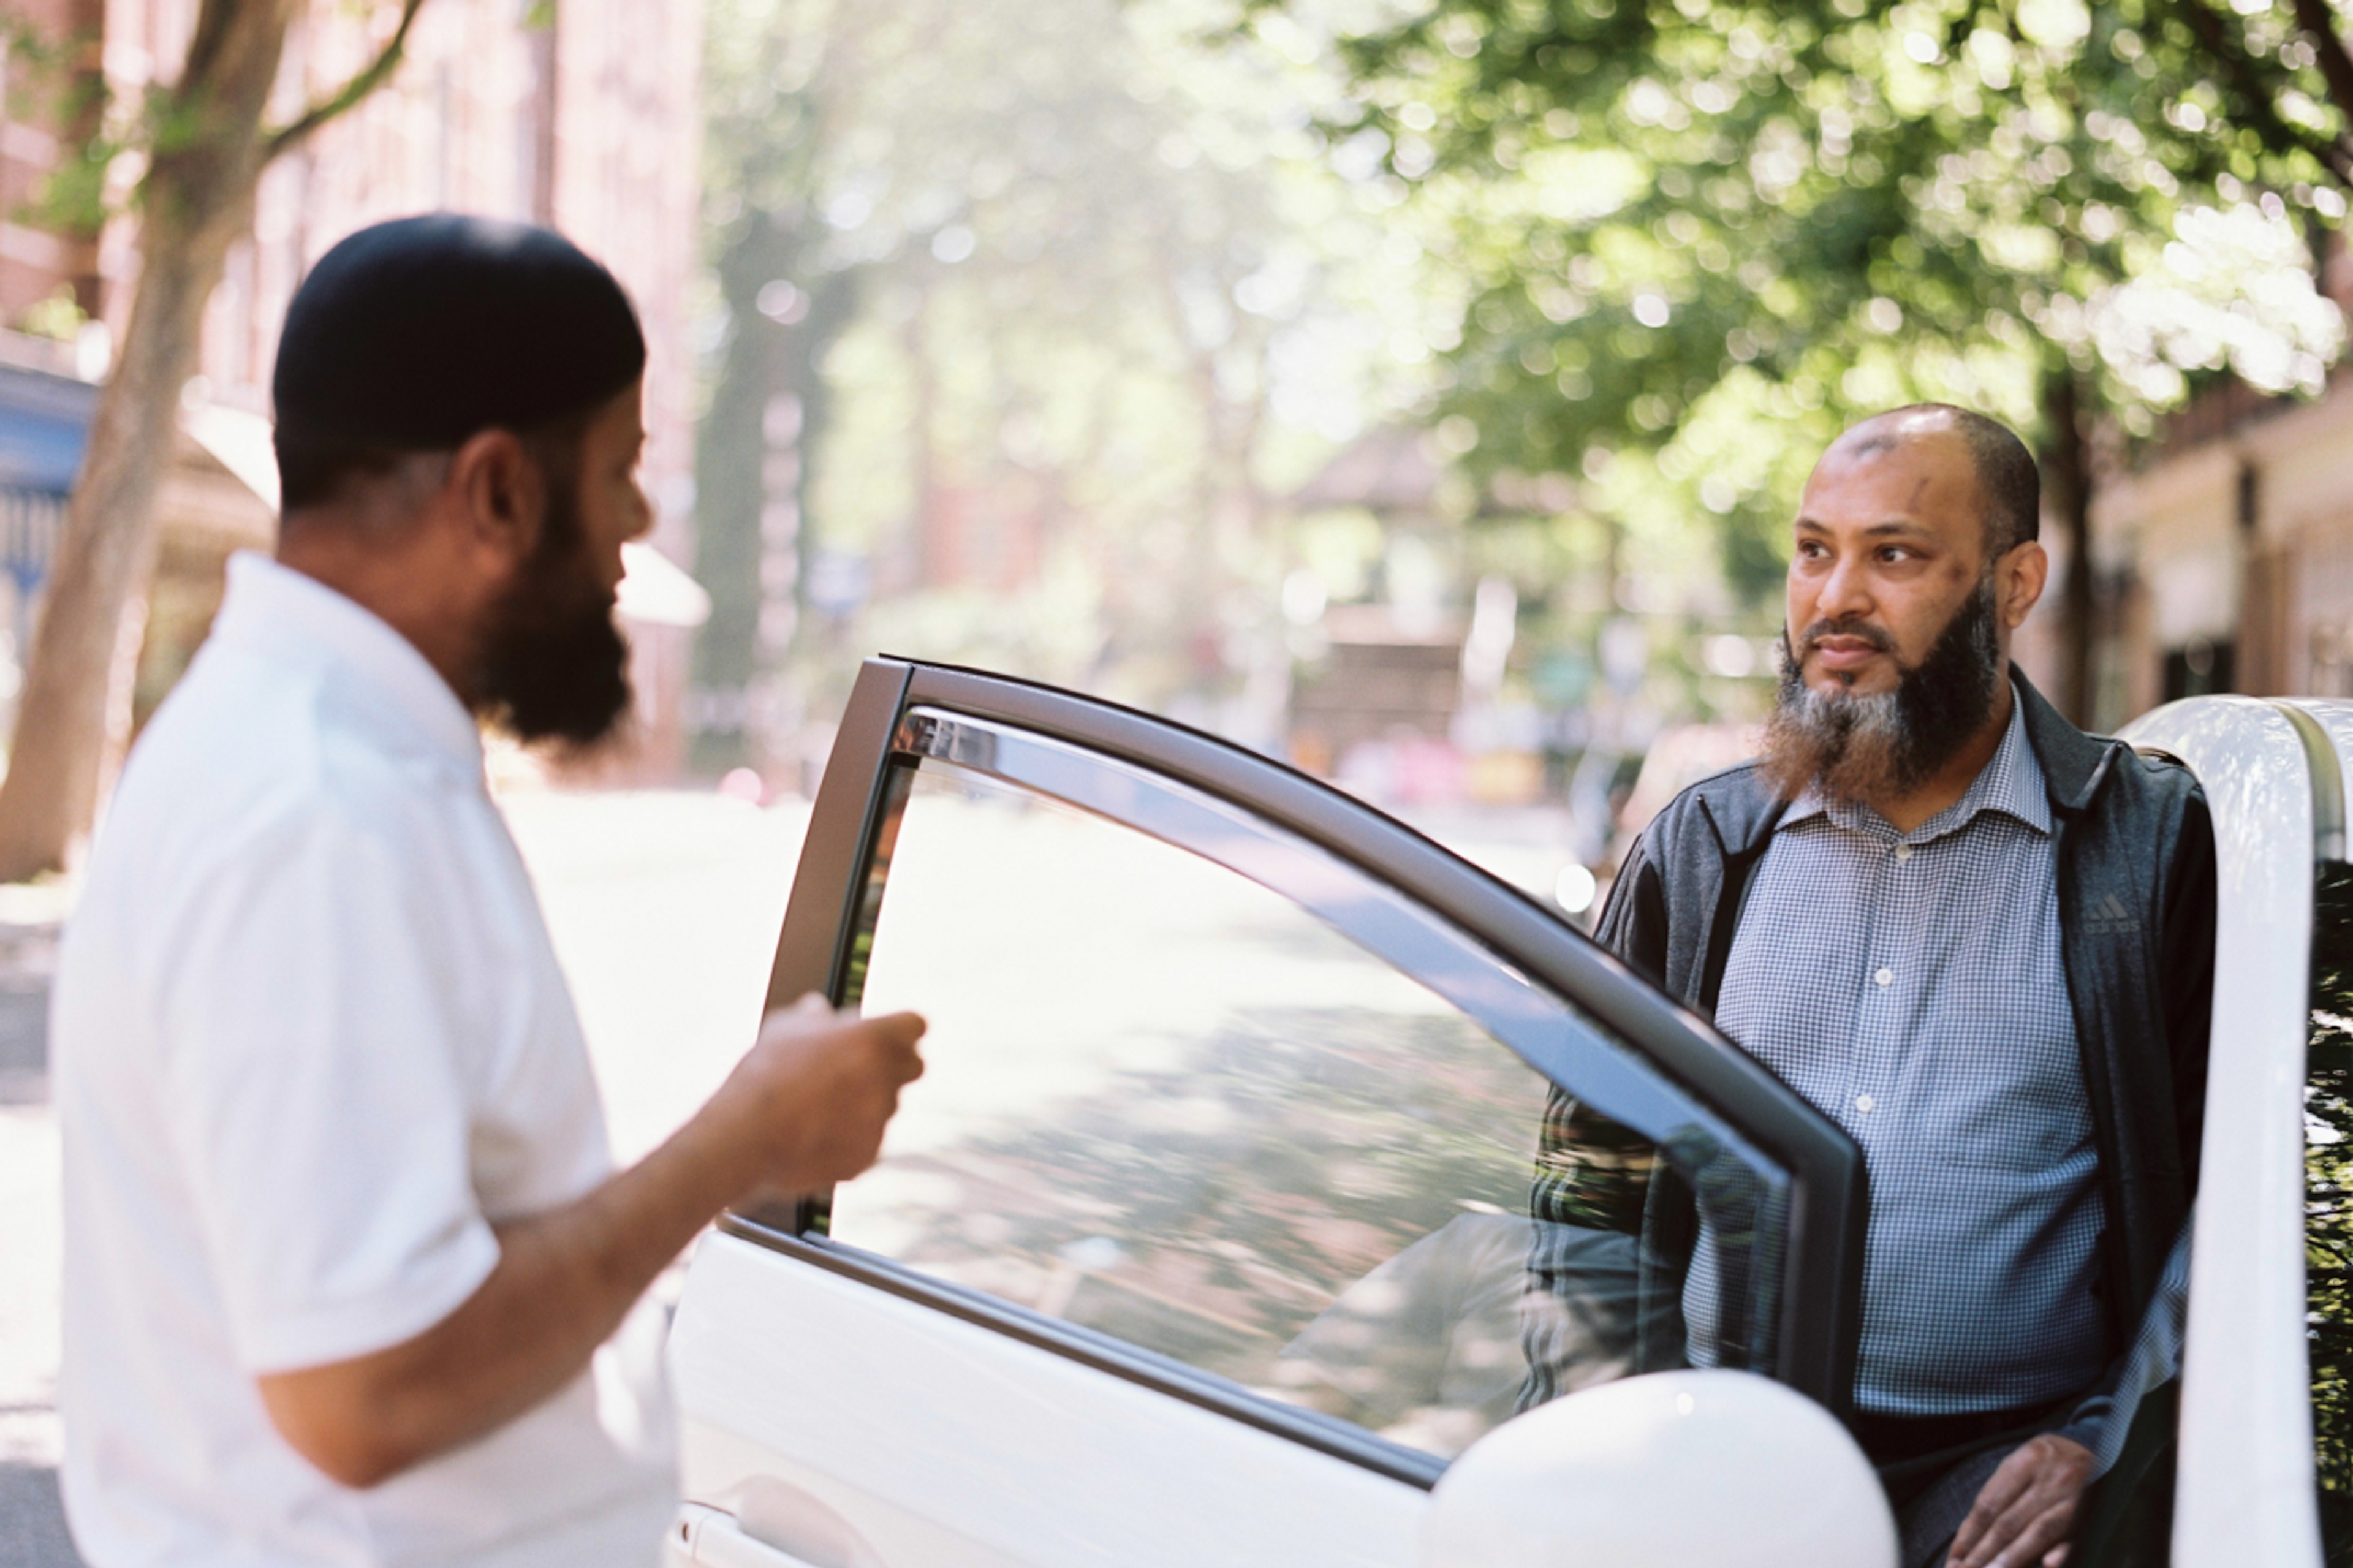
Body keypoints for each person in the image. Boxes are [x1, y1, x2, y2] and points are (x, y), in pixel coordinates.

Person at [51, 214, 926, 1568]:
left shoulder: (328, 757)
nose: (637, 526)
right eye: (622, 471)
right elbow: (367, 1391)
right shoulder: (316, 812)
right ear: (500, 491)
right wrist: (744, 1140)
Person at [1540, 405, 2215, 1568]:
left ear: (2014, 584)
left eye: (1893, 554)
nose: (1835, 597)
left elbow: (2231, 1201)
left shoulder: (2145, 848)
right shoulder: (1700, 854)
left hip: (2008, 1502)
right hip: (1714, 1475)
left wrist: (2107, 1442)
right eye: (1815, 550)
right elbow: (1593, 1190)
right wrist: (1601, 1445)